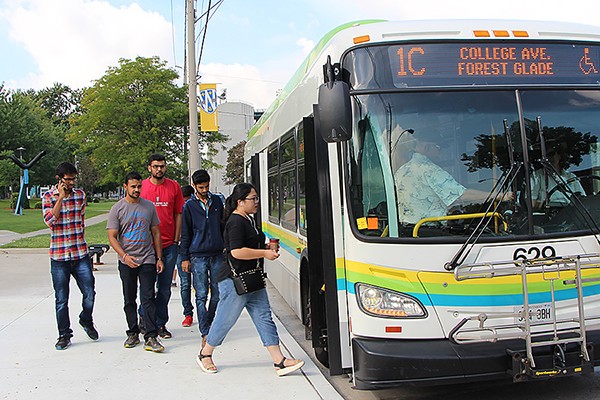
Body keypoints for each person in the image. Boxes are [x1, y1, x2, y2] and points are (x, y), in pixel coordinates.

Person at [196, 183, 304, 376]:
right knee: (225, 320)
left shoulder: (248, 219)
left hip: (252, 279)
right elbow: (237, 252)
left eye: (256, 198)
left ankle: (279, 361)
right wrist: (264, 252)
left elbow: (247, 245)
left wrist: (265, 248)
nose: (256, 202)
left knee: (264, 318)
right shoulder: (236, 222)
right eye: (252, 199)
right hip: (234, 281)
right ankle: (205, 354)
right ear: (240, 201)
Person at [392, 126, 511, 225]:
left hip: (407, 230)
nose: (441, 152)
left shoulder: (401, 171)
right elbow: (462, 195)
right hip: (430, 231)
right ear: (427, 147)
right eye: (439, 148)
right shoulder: (429, 170)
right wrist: (500, 196)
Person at [107, 172, 165, 353]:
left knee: (148, 298)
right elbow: (112, 236)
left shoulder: (148, 207)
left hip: (147, 258)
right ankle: (132, 332)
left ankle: (151, 336)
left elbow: (155, 232)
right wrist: (124, 256)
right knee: (129, 298)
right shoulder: (117, 209)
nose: (136, 190)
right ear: (125, 187)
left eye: (139, 186)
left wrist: (159, 257)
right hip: (127, 260)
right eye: (133, 186)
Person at [42, 162, 98, 350]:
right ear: (59, 179)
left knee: (89, 292)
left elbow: (81, 220)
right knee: (61, 299)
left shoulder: (80, 196)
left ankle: (85, 319)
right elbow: (50, 221)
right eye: (68, 179)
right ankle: (64, 334)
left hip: (79, 253)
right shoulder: (48, 196)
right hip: (59, 256)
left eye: (74, 179)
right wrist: (61, 199)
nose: (72, 183)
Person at [139, 153, 184, 339]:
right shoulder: (141, 187)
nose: (159, 169)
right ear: (149, 167)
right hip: (147, 247)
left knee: (165, 288)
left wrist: (175, 239)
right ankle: (144, 318)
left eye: (162, 166)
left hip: (168, 245)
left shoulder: (173, 186)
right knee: (147, 289)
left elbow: (178, 214)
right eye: (156, 166)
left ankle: (160, 324)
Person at [180, 170, 225, 342]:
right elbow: (186, 233)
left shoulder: (217, 203)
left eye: (206, 186)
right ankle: (205, 330)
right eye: (201, 187)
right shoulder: (189, 207)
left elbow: (222, 226)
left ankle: (211, 322)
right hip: (197, 255)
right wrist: (185, 257)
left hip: (216, 253)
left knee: (217, 293)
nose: (205, 190)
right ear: (194, 186)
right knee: (201, 294)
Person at [531, 143, 585, 209]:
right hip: (549, 215)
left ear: (559, 155)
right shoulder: (536, 176)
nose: (548, 158)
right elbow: (531, 203)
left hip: (572, 214)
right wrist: (546, 205)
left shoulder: (571, 176)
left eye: (551, 154)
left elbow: (583, 200)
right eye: (546, 155)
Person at [177, 184, 195, 327]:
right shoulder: (178, 210)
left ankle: (204, 311)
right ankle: (187, 313)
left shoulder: (195, 208)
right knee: (185, 283)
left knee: (201, 285)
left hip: (197, 251)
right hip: (181, 251)